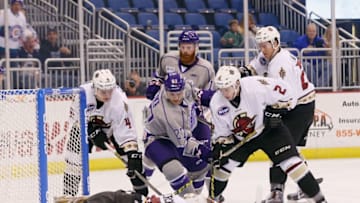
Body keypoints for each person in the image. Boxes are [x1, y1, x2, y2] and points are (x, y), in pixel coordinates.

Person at [207, 65, 327, 203]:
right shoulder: (217, 102)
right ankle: (214, 198)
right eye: (221, 89)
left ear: (237, 83)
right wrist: (220, 148)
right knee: (223, 167)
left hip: (269, 131)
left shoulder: (256, 86)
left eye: (227, 88)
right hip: (242, 139)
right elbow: (223, 135)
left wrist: (275, 111)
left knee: (292, 164)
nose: (225, 93)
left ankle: (320, 200)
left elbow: (288, 93)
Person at [240, 26, 319, 202]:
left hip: (299, 109)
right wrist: (236, 74)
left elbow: (287, 99)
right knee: (289, 150)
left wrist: (271, 112)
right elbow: (253, 68)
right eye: (259, 46)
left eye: (264, 46)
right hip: (299, 106)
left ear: (275, 43)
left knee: (279, 147)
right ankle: (307, 186)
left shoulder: (280, 64)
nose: (261, 50)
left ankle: (277, 193)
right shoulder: (270, 54)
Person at [63, 69, 148, 198]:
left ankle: (143, 197)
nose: (108, 95)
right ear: (95, 88)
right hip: (85, 127)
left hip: (112, 129)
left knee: (134, 163)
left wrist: (132, 152)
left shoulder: (119, 100)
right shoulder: (82, 94)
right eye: (103, 91)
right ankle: (68, 196)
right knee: (73, 159)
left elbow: (125, 127)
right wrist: (91, 130)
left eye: (110, 90)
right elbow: (75, 119)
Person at [143, 72, 212, 197]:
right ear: (166, 90)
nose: (175, 98)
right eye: (171, 94)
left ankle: (196, 195)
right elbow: (184, 143)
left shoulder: (185, 87)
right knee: (173, 170)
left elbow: (197, 95)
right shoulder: (167, 114)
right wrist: (206, 153)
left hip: (183, 131)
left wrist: (216, 98)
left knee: (199, 170)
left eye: (178, 93)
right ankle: (189, 198)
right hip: (159, 138)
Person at [146, 30, 215, 101]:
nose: (185, 51)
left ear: (196, 48)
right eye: (182, 47)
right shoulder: (167, 59)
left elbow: (210, 95)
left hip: (192, 107)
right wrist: (154, 85)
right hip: (169, 105)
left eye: (188, 48)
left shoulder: (206, 68)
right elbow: (158, 77)